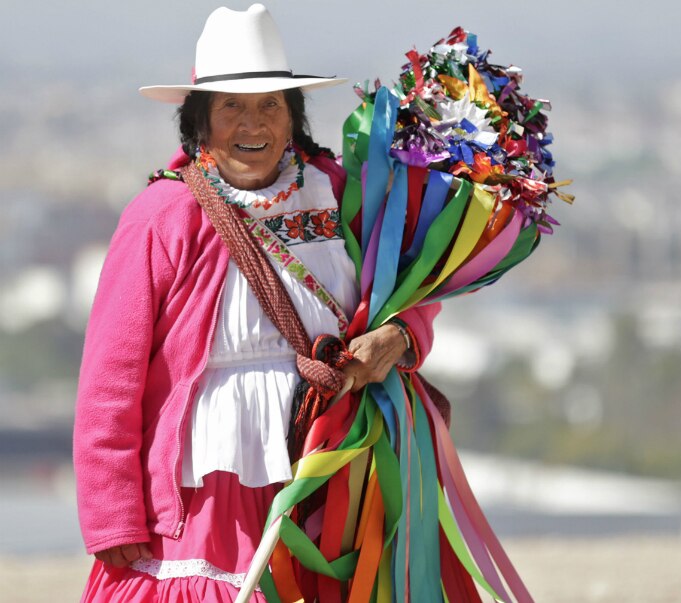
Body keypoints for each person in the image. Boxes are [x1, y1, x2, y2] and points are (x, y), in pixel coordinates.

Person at [73, 5, 440, 601]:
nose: (254, 123)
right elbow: (110, 380)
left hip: (331, 457)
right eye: (232, 107)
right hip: (211, 474)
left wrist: (401, 335)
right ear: (199, 121)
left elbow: (414, 286)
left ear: (293, 116)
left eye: (271, 104)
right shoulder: (164, 217)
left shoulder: (340, 193)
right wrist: (111, 511)